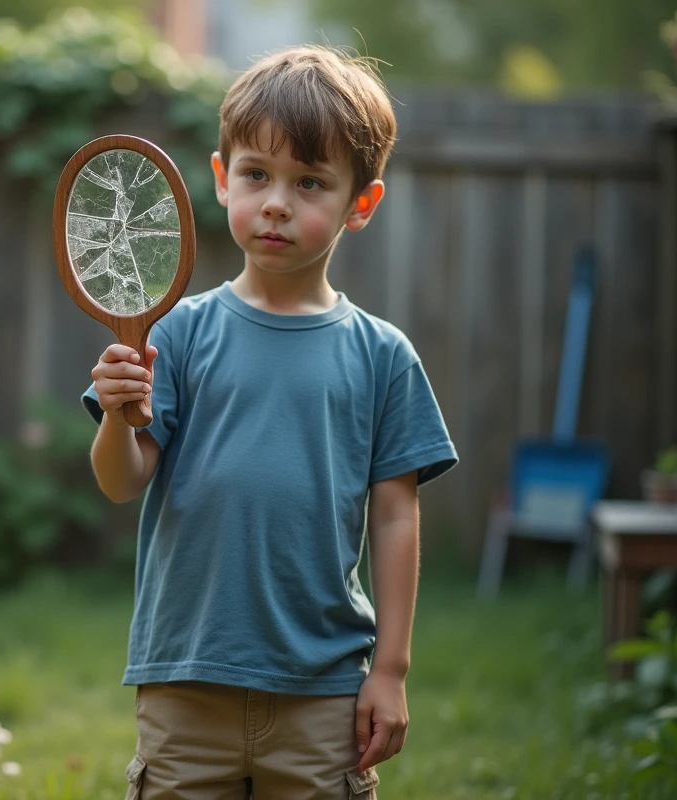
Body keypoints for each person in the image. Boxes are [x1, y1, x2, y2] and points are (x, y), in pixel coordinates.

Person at [82, 44, 458, 799]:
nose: (278, 202)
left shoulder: (383, 356)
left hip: (323, 691)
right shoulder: (177, 335)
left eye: (310, 182)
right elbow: (122, 483)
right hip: (186, 677)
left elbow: (393, 517)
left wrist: (390, 670)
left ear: (361, 204)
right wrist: (119, 419)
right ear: (223, 181)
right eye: (257, 174)